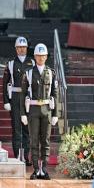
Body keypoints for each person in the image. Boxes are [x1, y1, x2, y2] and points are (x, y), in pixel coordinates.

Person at [20, 43, 58, 180]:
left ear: (46, 56)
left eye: (43, 56)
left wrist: (55, 114)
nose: (41, 58)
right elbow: (23, 95)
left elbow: (55, 94)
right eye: (38, 55)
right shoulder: (28, 73)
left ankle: (45, 169)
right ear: (35, 56)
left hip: (47, 110)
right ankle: (36, 169)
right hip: (33, 110)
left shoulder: (51, 73)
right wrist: (23, 113)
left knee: (46, 141)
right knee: (34, 141)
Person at [2, 36, 35, 166]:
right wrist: (6, 101)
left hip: (27, 100)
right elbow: (5, 84)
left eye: (24, 47)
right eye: (19, 47)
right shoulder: (10, 64)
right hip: (15, 98)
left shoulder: (32, 63)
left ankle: (26, 157)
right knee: (16, 129)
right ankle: (17, 157)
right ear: (16, 49)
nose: (22, 49)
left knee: (27, 130)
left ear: (27, 48)